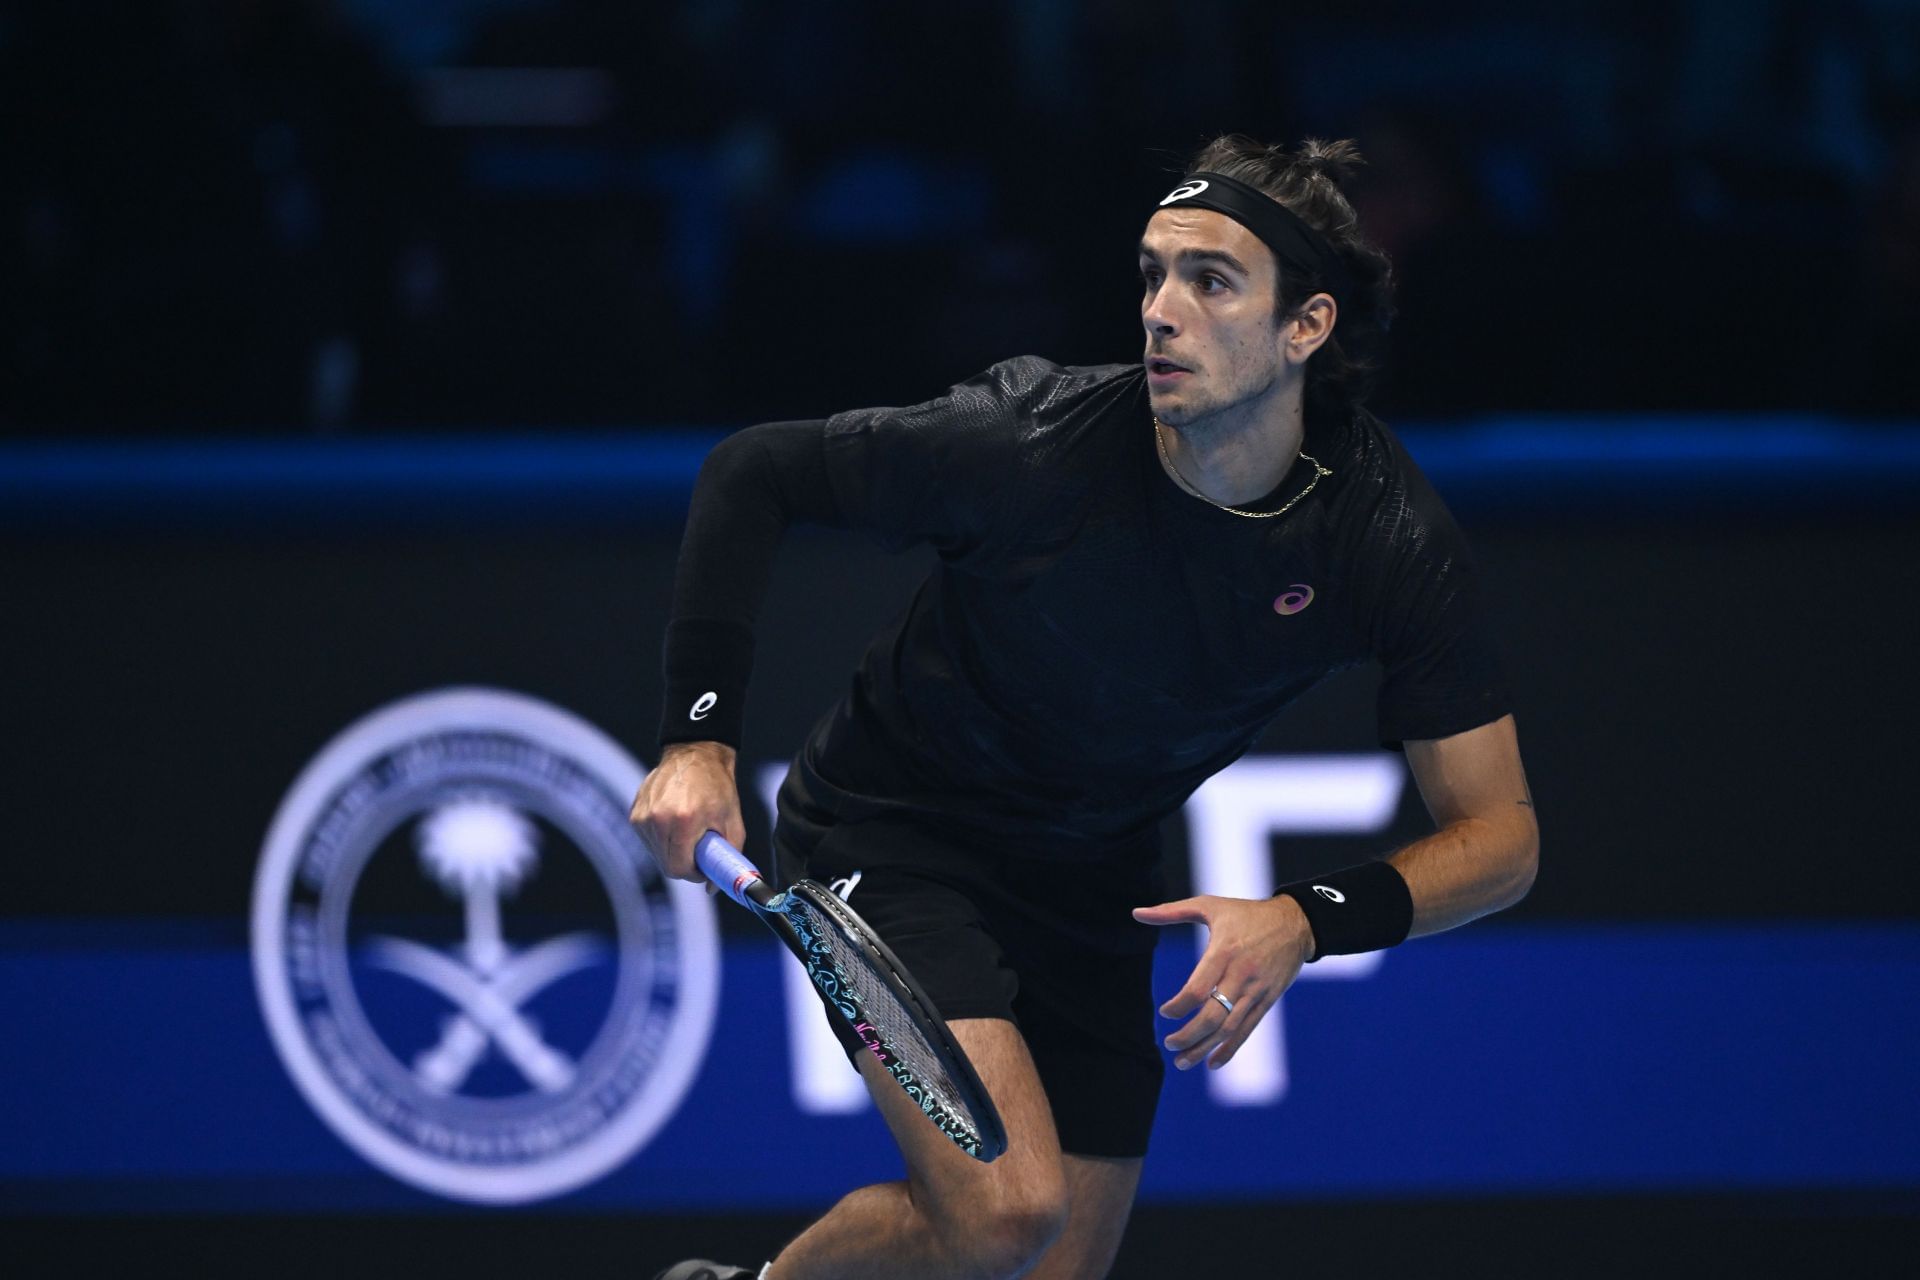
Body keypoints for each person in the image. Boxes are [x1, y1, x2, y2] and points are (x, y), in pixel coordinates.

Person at [633, 135, 1540, 1280]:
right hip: (896, 830)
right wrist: (697, 739)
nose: (1162, 310)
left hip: (1092, 871)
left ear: (1305, 326)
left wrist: (1307, 917)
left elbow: (1503, 839)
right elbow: (751, 472)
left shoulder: (1384, 536)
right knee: (1007, 1213)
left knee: (1057, 1265)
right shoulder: (1030, 443)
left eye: (1211, 281)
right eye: (1154, 273)